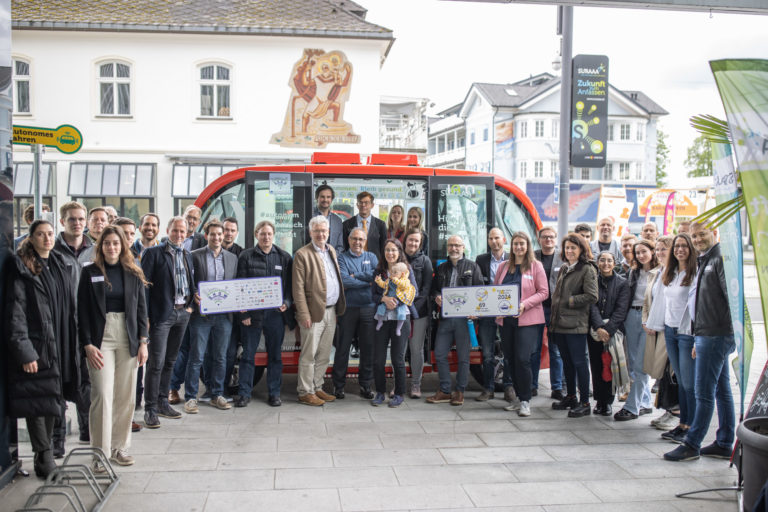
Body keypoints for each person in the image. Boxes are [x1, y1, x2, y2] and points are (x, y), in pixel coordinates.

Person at [5, 220, 79, 478]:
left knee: (52, 399)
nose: (47, 238)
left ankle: (44, 457)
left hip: (58, 342)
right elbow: (15, 314)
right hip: (37, 347)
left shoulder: (58, 262)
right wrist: (25, 352)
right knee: (37, 403)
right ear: (31, 237)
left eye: (49, 234)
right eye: (40, 234)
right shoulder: (22, 266)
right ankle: (44, 457)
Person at [78, 225, 149, 471]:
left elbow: (142, 310)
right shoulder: (90, 272)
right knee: (102, 394)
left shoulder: (133, 271)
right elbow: (82, 310)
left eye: (116, 243)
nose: (111, 247)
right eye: (107, 243)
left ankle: (119, 447)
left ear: (123, 245)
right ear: (101, 246)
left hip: (128, 336)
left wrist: (143, 342)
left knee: (125, 396)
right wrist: (87, 343)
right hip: (101, 338)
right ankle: (100, 453)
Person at [665, 223, 735, 461]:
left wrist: (724, 335)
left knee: (703, 392)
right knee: (721, 390)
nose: (697, 239)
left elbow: (731, 298)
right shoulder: (706, 258)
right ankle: (724, 443)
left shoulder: (720, 258)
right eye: (693, 236)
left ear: (714, 233)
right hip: (708, 334)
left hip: (714, 334)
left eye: (701, 234)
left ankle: (692, 444)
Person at [140, 216, 196, 428]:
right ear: (167, 230)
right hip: (162, 316)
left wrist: (191, 306)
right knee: (156, 363)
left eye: (182, 231)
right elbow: (144, 286)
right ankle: (150, 409)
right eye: (175, 230)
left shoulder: (187, 255)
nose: (179, 234)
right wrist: (145, 316)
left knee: (171, 361)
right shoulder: (153, 253)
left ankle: (163, 402)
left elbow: (190, 282)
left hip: (182, 314)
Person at [235, 220, 293, 407]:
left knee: (275, 356)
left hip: (275, 315)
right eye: (262, 234)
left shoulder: (284, 257)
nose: (266, 237)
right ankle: (244, 394)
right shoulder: (246, 256)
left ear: (273, 235)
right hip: (252, 315)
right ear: (256, 235)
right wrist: (243, 314)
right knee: (248, 356)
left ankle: (274, 394)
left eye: (269, 234)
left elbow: (289, 288)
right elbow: (240, 285)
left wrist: (286, 303)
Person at [646, 234, 696, 441]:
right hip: (670, 330)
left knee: (688, 383)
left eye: (684, 246)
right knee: (680, 381)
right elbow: (661, 302)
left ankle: (690, 427)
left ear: (691, 249)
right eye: (677, 246)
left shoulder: (695, 272)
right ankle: (682, 424)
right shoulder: (670, 272)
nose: (680, 250)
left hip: (686, 333)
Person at [185, 220, 238, 413]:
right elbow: (188, 282)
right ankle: (190, 398)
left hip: (224, 316)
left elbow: (234, 284)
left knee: (220, 357)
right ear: (206, 235)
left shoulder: (232, 258)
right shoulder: (194, 255)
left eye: (219, 234)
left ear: (223, 236)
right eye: (213, 234)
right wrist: (193, 295)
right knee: (196, 357)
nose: (216, 237)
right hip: (201, 316)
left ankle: (217, 394)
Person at [493, 232, 548, 417]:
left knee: (523, 359)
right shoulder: (503, 266)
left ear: (528, 246)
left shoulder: (536, 266)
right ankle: (517, 397)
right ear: (511, 246)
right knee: (510, 359)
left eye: (522, 244)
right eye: (515, 244)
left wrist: (524, 304)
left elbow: (544, 292)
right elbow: (495, 291)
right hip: (506, 320)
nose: (518, 247)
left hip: (528, 320)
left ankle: (525, 400)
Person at [51, 201, 92, 452]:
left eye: (80, 219)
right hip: (59, 327)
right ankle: (57, 438)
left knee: (86, 380)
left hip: (86, 326)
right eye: (71, 219)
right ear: (62, 221)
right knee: (57, 382)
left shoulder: (94, 250)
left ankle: (87, 430)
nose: (77, 223)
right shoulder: (51, 251)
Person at [293, 215, 346, 406]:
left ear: (328, 232)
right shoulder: (302, 254)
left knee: (323, 353)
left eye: (323, 231)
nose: (320, 234)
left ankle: (317, 387)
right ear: (310, 233)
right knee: (309, 354)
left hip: (331, 311)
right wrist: (304, 314)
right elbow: (298, 289)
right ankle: (305, 391)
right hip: (313, 312)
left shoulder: (331, 250)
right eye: (316, 231)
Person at [427, 235, 483, 406]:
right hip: (445, 318)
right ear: (447, 248)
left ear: (463, 247)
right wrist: (437, 296)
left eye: (457, 245)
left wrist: (476, 312)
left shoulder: (473, 267)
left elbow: (480, 292)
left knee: (463, 357)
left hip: (464, 320)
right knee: (439, 353)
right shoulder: (441, 268)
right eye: (451, 245)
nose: (454, 248)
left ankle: (460, 391)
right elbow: (434, 290)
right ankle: (445, 390)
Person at [549, 233, 598, 418]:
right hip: (560, 324)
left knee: (579, 363)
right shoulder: (564, 267)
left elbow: (592, 296)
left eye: (573, 248)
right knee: (567, 363)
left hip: (575, 324)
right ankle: (571, 397)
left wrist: (569, 301)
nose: (569, 251)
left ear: (581, 249)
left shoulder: (587, 269)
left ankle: (585, 402)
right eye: (567, 247)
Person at [614, 239, 658, 421]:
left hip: (650, 319)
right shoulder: (634, 272)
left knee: (641, 365)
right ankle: (645, 402)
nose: (640, 255)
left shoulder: (660, 272)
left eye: (644, 251)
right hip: (632, 316)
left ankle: (631, 407)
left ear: (652, 251)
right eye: (637, 252)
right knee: (633, 364)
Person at [371, 239, 418, 407]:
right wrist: (384, 299)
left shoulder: (406, 270)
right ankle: (380, 392)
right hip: (382, 319)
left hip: (401, 318)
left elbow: (414, 292)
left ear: (399, 252)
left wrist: (396, 300)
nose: (390, 253)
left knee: (398, 359)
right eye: (387, 250)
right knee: (378, 359)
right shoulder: (379, 271)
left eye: (393, 250)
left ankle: (399, 393)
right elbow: (373, 295)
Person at [334, 227, 378, 399]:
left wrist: (356, 276)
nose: (357, 242)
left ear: (365, 241)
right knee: (343, 347)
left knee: (368, 348)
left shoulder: (371, 257)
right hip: (348, 308)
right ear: (349, 240)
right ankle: (338, 386)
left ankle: (366, 385)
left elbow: (376, 277)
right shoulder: (342, 258)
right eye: (354, 239)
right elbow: (344, 280)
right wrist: (366, 282)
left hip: (369, 308)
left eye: (361, 239)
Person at [587, 251, 629, 416]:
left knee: (611, 366)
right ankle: (599, 401)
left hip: (614, 331)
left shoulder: (622, 283)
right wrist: (599, 327)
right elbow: (591, 305)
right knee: (596, 365)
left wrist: (608, 330)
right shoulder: (592, 281)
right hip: (595, 331)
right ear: (597, 262)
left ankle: (608, 402)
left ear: (614, 263)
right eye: (602, 260)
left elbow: (621, 309)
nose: (606, 264)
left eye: (609, 260)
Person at [475, 228, 513, 401]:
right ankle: (488, 388)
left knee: (508, 350)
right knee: (487, 353)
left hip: (506, 311)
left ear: (503, 240)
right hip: (487, 312)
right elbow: (478, 284)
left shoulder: (512, 259)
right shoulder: (481, 259)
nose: (494, 241)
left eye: (497, 238)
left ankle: (508, 387)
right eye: (491, 238)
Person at [533, 226, 565, 400]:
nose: (548, 240)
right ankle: (532, 385)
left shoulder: (563, 257)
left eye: (551, 237)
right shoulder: (533, 256)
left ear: (556, 238)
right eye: (545, 237)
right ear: (539, 239)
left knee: (556, 350)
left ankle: (557, 387)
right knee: (534, 349)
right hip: (536, 308)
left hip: (555, 310)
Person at [403, 229, 432, 398]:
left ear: (420, 244)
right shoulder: (398, 258)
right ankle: (398, 385)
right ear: (405, 240)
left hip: (419, 312)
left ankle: (416, 384)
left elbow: (426, 288)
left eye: (416, 241)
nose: (413, 243)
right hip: (399, 312)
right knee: (400, 350)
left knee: (416, 348)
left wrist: (412, 307)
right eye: (410, 240)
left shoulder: (425, 261)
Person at [374, 261, 414, 336]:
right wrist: (379, 281)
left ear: (402, 274)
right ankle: (380, 322)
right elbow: (384, 285)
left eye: (395, 272)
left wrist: (396, 281)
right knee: (380, 308)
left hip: (399, 301)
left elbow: (404, 286)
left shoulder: (405, 281)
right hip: (388, 299)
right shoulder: (389, 280)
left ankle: (398, 328)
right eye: (392, 272)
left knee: (402, 314)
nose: (392, 274)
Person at [342, 191, 386, 261]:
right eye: (360, 202)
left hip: (374, 263)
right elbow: (344, 246)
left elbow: (383, 247)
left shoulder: (380, 225)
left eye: (366, 202)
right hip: (352, 261)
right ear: (357, 205)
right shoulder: (347, 224)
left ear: (372, 205)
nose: (363, 205)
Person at [311, 185, 343, 253]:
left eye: (328, 197)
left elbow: (340, 246)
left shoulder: (338, 221)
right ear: (317, 198)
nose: (325, 200)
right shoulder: (310, 216)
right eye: (322, 197)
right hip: (312, 257)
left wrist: (332, 256)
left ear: (332, 199)